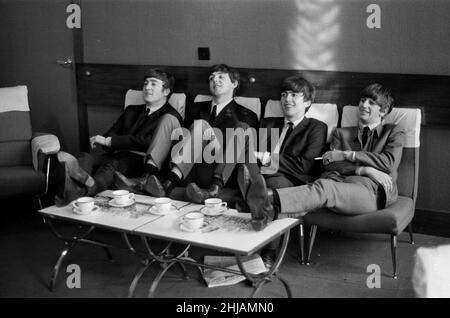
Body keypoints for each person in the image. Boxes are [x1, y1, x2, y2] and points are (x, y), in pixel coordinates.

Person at [240, 83, 404, 261]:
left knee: (323, 188)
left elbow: (389, 162)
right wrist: (363, 169)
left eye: (371, 103)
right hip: (335, 182)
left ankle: (267, 196)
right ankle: (265, 248)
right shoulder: (342, 133)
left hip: (370, 191)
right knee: (308, 198)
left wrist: (347, 154)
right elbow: (329, 163)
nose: (364, 105)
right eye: (362, 100)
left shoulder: (394, 131)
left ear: (383, 110)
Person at [115, 64, 258, 202]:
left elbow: (243, 151)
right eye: (211, 78)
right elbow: (182, 138)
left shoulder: (246, 114)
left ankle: (171, 182)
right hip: (189, 167)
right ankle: (146, 177)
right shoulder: (195, 108)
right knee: (169, 119)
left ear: (234, 83)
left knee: (201, 125)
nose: (215, 80)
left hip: (217, 167)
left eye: (221, 77)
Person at [54, 69, 182, 205]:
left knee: (112, 165)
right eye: (145, 84)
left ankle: (80, 192)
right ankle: (72, 190)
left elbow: (148, 142)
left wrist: (111, 142)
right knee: (84, 157)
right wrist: (107, 142)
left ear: (166, 91)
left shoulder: (171, 117)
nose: (147, 87)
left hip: (141, 160)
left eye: (153, 84)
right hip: (118, 153)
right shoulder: (131, 110)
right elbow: (111, 133)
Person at [236, 75, 327, 267]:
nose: (287, 99)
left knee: (272, 186)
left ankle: (268, 251)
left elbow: (306, 165)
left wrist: (268, 158)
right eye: (284, 94)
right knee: (243, 154)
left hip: (290, 180)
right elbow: (251, 154)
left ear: (308, 101)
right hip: (258, 174)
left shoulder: (316, 128)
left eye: (294, 94)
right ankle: (255, 196)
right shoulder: (268, 123)